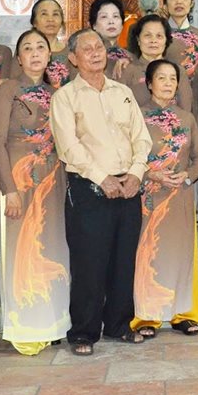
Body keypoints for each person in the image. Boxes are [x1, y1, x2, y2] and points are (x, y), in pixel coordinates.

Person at [49, 28, 152, 355]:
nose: (95, 52)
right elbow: (69, 147)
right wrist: (101, 177)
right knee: (89, 262)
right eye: (87, 49)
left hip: (128, 186)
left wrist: (136, 173)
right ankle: (83, 331)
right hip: (89, 189)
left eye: (99, 47)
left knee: (123, 260)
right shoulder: (65, 96)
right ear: (73, 58)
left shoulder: (122, 92)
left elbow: (142, 138)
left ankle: (119, 325)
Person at [0, 29, 71, 355]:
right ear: (19, 57)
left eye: (41, 47)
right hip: (18, 180)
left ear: (50, 55)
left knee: (50, 247)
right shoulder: (9, 89)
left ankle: (52, 323)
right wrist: (9, 188)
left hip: (52, 181)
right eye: (27, 48)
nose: (35, 53)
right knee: (21, 250)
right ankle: (24, 326)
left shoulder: (58, 94)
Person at [131, 60, 198, 338]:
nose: (167, 83)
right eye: (160, 78)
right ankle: (146, 316)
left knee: (180, 253)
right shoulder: (136, 116)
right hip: (148, 195)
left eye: (172, 78)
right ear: (149, 83)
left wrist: (187, 175)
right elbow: (128, 155)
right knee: (148, 252)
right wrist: (152, 175)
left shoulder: (187, 118)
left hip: (180, 195)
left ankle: (182, 313)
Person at [117, 14, 193, 112]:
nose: (153, 41)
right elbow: (120, 108)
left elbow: (185, 111)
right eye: (147, 35)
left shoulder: (178, 71)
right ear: (138, 40)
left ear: (166, 40)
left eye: (159, 36)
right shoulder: (126, 69)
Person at [30, 0, 72, 89]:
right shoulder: (25, 51)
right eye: (44, 14)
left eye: (55, 14)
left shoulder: (71, 53)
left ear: (61, 22)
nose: (50, 19)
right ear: (34, 22)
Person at [89, 0, 131, 78]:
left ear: (122, 24)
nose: (111, 22)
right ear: (94, 25)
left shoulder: (131, 57)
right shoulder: (87, 56)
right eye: (104, 17)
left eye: (115, 16)